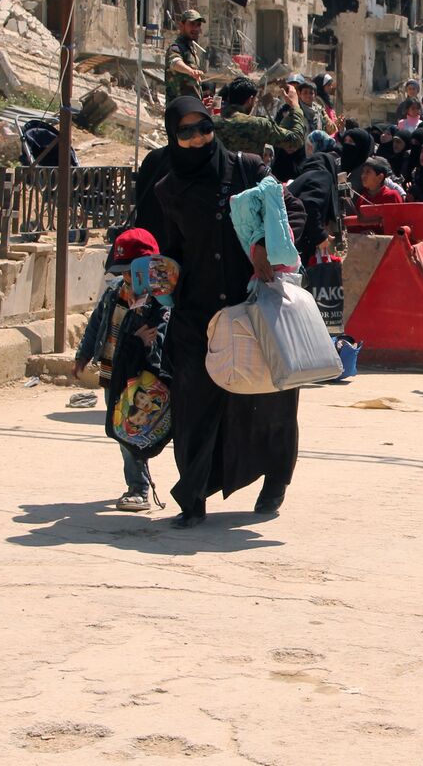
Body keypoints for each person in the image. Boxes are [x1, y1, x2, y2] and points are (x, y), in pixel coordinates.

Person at [156, 96, 307, 528]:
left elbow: (291, 210)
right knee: (194, 403)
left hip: (253, 304)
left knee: (270, 399)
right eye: (185, 133)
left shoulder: (248, 170)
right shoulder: (168, 190)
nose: (198, 138)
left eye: (203, 128)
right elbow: (171, 251)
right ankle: (193, 496)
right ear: (173, 137)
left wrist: (266, 247)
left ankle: (275, 480)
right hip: (197, 313)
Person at [73, 228, 164, 512]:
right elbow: (95, 325)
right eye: (123, 272)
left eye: (132, 271)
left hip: (140, 376)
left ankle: (141, 487)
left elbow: (161, 336)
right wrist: (83, 356)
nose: (127, 278)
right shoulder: (114, 294)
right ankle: (137, 486)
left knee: (137, 429)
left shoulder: (158, 300)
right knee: (124, 432)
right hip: (112, 374)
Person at [213, 77, 306, 156]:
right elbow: (295, 141)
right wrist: (295, 106)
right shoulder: (259, 125)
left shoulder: (210, 122)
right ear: (250, 99)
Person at [164, 10, 205, 100]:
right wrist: (191, 71)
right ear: (182, 26)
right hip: (179, 107)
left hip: (191, 107)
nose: (195, 28)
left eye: (198, 25)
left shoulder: (191, 50)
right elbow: (175, 62)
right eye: (192, 24)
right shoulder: (176, 47)